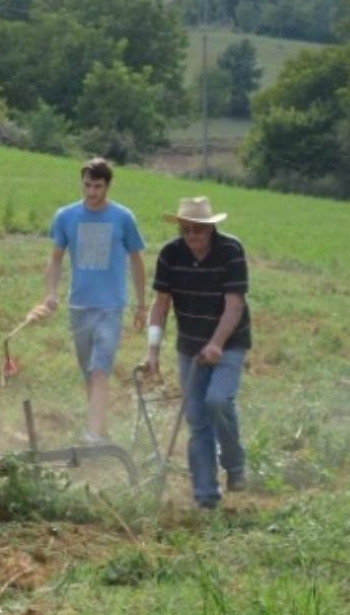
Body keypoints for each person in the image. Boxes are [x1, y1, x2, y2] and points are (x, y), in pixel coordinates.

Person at [27, 157, 146, 444]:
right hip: (79, 306)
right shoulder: (66, 217)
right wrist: (51, 294)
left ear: (108, 186)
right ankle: (100, 428)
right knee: (89, 373)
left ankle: (92, 435)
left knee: (99, 369)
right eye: (87, 185)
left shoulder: (123, 218)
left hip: (111, 307)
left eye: (98, 186)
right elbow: (55, 259)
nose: (92, 192)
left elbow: (136, 260)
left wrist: (142, 304)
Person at [144, 196, 251, 510]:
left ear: (210, 228)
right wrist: (152, 351)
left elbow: (235, 305)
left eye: (198, 231)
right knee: (197, 420)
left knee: (218, 400)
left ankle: (234, 464)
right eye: (186, 230)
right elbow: (160, 305)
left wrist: (217, 342)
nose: (192, 237)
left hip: (229, 342)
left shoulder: (231, 251)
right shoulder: (170, 254)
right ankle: (205, 497)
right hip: (190, 347)